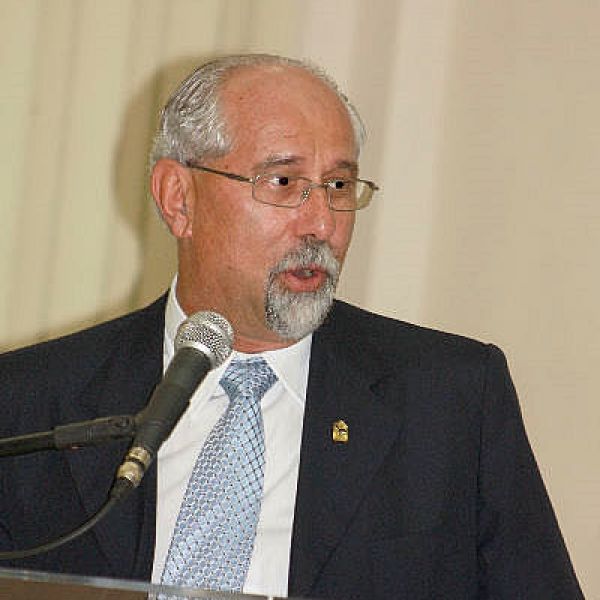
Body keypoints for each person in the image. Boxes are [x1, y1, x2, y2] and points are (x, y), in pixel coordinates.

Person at [0, 54, 583, 599]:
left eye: (338, 186)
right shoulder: (30, 401)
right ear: (179, 199)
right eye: (283, 183)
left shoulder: (450, 399)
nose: (322, 224)